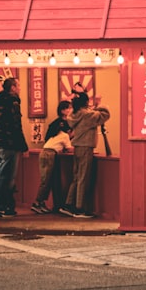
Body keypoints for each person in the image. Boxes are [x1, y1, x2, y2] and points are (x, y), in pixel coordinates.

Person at [61, 85, 110, 218]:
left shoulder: (75, 114)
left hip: (77, 147)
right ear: (86, 103)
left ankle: (68, 204)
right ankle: (79, 208)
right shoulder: (87, 115)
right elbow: (105, 115)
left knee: (76, 177)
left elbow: (89, 114)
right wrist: (99, 103)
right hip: (86, 147)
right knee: (83, 178)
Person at [0, 77, 28, 217]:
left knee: (2, 176)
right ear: (12, 87)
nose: (19, 88)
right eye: (18, 85)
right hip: (9, 144)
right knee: (7, 177)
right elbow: (16, 124)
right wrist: (23, 146)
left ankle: (6, 206)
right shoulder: (13, 101)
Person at [31, 100, 73, 214]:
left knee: (49, 180)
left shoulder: (59, 132)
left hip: (49, 153)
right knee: (46, 180)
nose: (70, 110)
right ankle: (37, 202)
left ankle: (45, 203)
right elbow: (69, 147)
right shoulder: (61, 131)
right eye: (68, 108)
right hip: (50, 154)